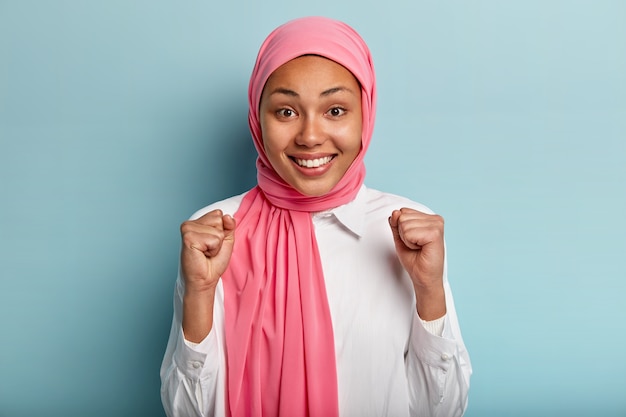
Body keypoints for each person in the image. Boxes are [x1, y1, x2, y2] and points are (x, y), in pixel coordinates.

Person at [160, 16, 472, 417]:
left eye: (336, 110)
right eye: (286, 112)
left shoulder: (407, 231)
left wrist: (430, 291)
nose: (309, 136)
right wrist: (198, 294)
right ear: (258, 119)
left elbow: (442, 411)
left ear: (366, 115)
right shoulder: (215, 232)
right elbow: (186, 412)